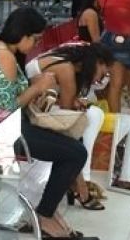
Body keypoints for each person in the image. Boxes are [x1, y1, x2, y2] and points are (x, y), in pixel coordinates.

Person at [0, 7, 86, 238]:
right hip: (4, 132)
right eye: (35, 39)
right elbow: (7, 109)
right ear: (22, 34)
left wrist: (36, 89)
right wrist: (37, 88)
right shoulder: (5, 56)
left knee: (73, 144)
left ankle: (48, 210)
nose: (36, 45)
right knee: (76, 153)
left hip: (5, 126)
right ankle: (45, 214)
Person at [24, 42, 114, 210]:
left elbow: (59, 99)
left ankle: (78, 182)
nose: (100, 80)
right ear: (97, 62)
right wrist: (73, 102)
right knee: (78, 131)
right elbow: (67, 111)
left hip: (35, 108)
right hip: (29, 115)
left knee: (88, 120)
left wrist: (72, 101)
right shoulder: (66, 69)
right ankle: (81, 185)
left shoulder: (66, 61)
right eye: (102, 74)